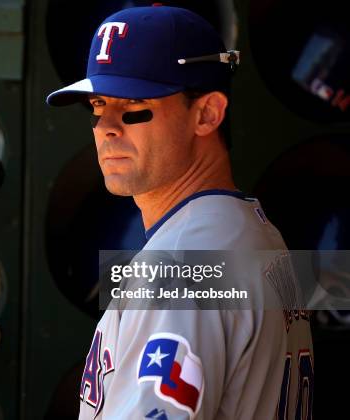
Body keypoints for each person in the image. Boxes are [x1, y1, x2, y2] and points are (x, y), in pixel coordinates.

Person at [46, 5, 313, 420]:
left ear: (206, 114)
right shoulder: (249, 233)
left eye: (133, 105)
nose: (106, 127)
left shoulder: (185, 268)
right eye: (99, 105)